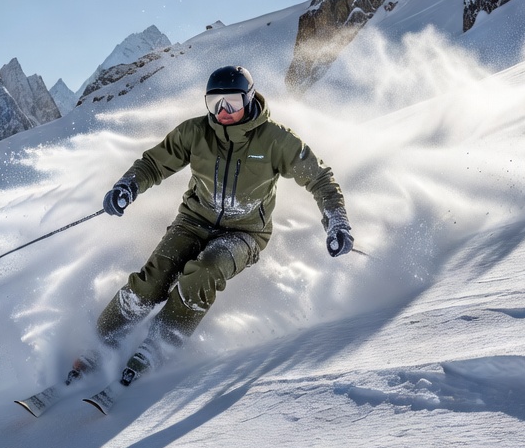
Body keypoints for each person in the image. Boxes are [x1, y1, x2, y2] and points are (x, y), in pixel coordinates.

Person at [78, 65, 352, 387]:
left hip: (245, 233)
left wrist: (337, 220)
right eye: (215, 103)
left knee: (204, 271)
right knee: (153, 278)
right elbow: (155, 162)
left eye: (232, 103)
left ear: (248, 100)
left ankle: (158, 344)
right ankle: (103, 340)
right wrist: (128, 186)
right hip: (194, 220)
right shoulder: (195, 133)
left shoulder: (275, 140)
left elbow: (319, 177)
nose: (223, 112)